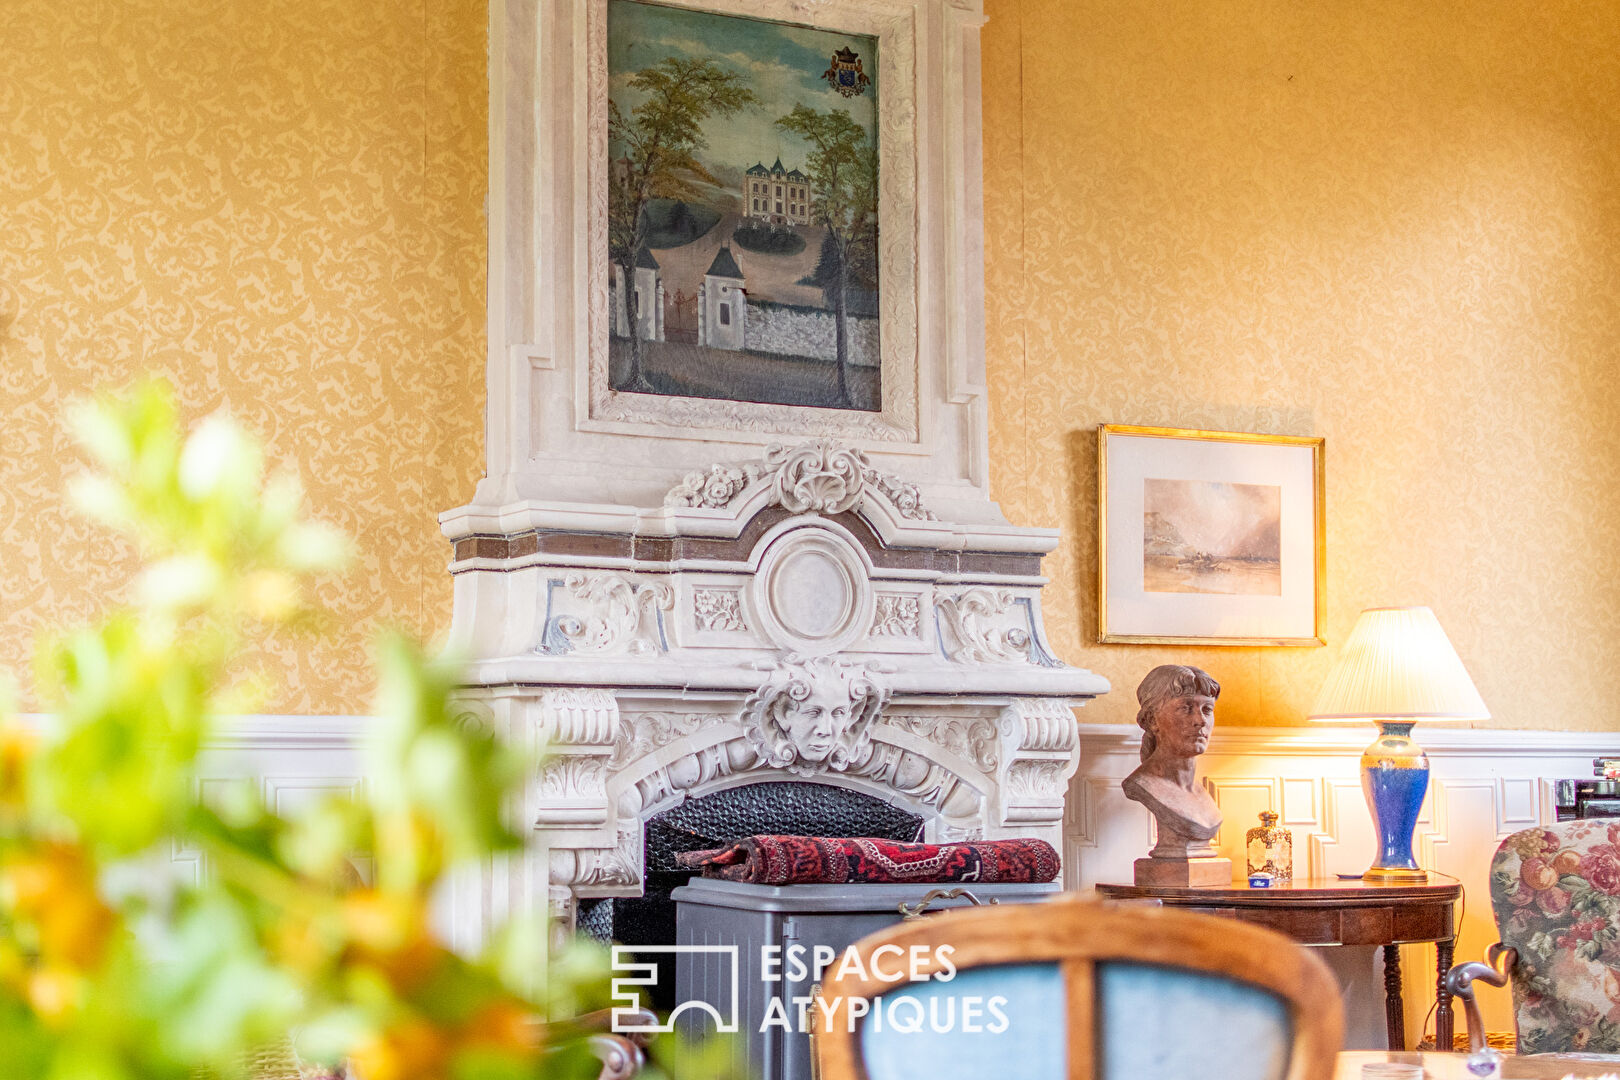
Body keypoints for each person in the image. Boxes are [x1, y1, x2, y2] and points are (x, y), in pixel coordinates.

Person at [1123, 664, 1223, 860]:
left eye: (1207, 709)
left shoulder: (1203, 796)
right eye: (1186, 708)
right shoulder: (1143, 785)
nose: (1200, 720)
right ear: (1152, 720)